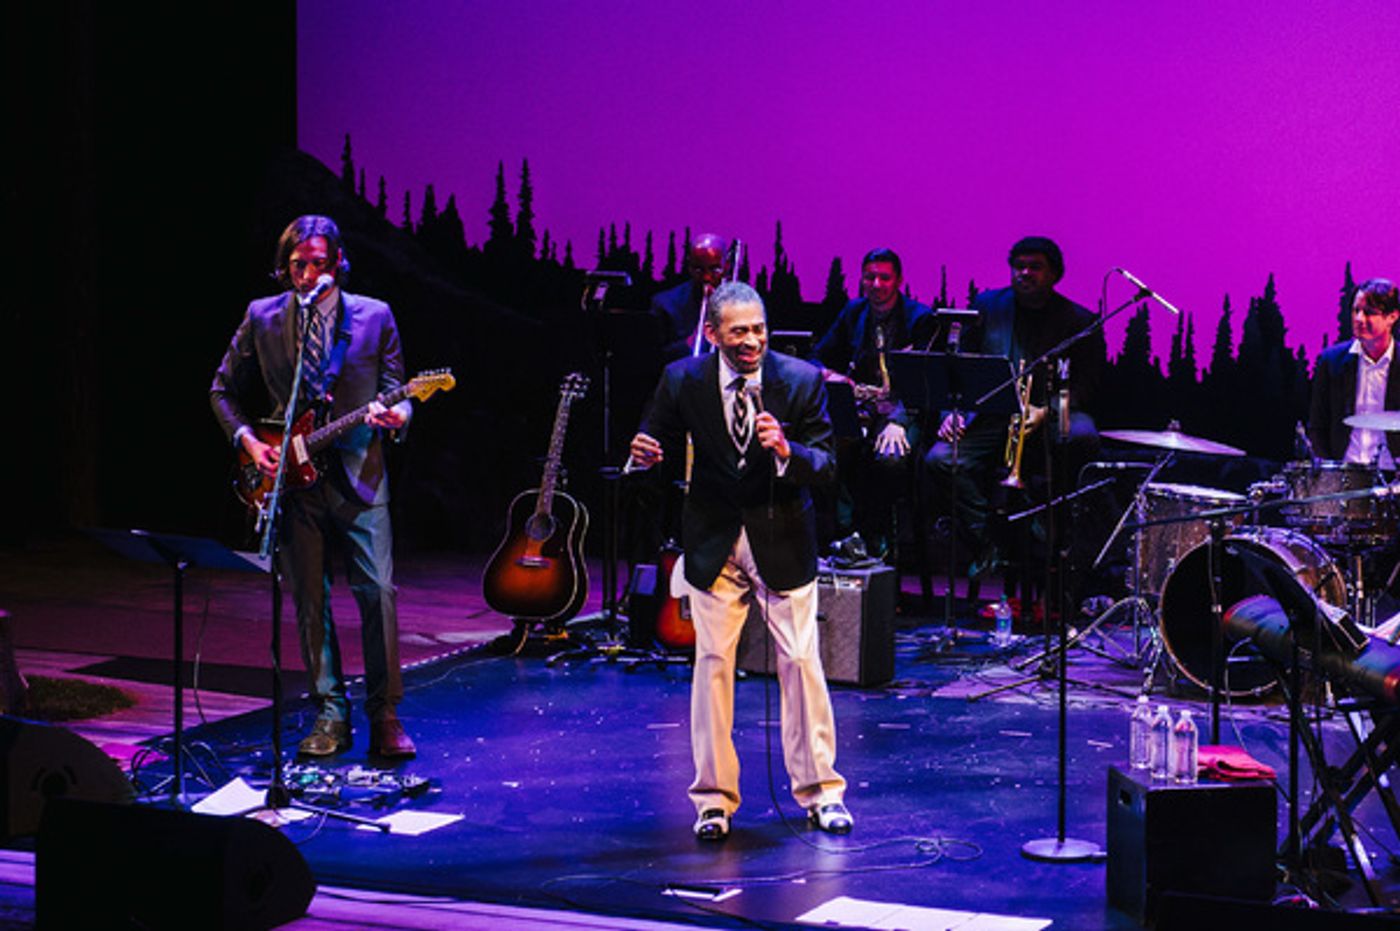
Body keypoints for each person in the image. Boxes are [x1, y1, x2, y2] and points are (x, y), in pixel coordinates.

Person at [628, 281, 851, 841]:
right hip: (714, 539)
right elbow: (652, 439)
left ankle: (822, 792)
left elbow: (827, 465)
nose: (752, 341)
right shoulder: (683, 378)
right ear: (713, 334)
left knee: (800, 662)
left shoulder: (799, 380)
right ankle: (713, 800)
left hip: (782, 537)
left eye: (759, 329)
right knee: (712, 665)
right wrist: (642, 453)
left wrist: (788, 452)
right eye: (739, 332)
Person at [210, 214, 416, 759]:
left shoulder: (375, 316)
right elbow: (222, 389)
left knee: (378, 594)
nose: (307, 275)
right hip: (292, 482)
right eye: (298, 265)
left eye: (318, 263)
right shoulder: (263, 316)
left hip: (360, 474)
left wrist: (400, 414)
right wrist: (250, 442)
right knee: (308, 601)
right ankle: (330, 713)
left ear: (338, 263)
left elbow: (398, 388)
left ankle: (385, 714)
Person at [924, 236, 1103, 577]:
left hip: (1048, 413)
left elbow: (1087, 383)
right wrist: (953, 411)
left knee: (1082, 436)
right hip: (994, 413)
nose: (1025, 273)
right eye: (1019, 267)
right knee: (941, 459)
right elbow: (960, 365)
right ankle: (988, 537)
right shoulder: (987, 306)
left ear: (1055, 274)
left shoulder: (1078, 320)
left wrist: (1046, 410)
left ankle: (1053, 532)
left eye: (1035, 267)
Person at [812, 247, 937, 558]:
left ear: (899, 281)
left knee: (889, 458)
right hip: (863, 408)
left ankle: (877, 534)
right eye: (870, 278)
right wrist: (830, 374)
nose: (876, 285)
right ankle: (845, 533)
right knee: (831, 450)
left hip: (905, 410)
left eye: (884, 278)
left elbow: (927, 382)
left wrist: (898, 421)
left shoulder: (920, 318)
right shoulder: (853, 312)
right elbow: (816, 357)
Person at [1308, 278, 1400, 465]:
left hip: (1393, 474)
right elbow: (1318, 425)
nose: (1359, 319)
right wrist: (1329, 469)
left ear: (1392, 317)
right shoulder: (1332, 361)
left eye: (1369, 312)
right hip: (1346, 471)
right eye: (1356, 310)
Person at [651, 233, 731, 362]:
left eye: (715, 270)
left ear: (726, 266)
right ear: (689, 266)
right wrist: (692, 340)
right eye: (699, 270)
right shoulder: (665, 303)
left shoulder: (744, 304)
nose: (706, 277)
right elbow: (655, 357)